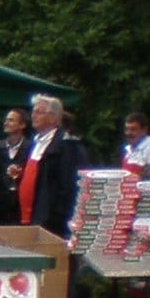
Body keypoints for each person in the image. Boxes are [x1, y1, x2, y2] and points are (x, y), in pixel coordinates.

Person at [11, 94, 91, 239]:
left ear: (54, 118)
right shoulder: (34, 143)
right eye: (33, 111)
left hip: (49, 222)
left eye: (39, 112)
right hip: (27, 217)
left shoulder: (65, 146)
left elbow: (67, 185)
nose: (33, 116)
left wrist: (55, 217)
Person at [0, 107, 31, 223]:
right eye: (6, 120)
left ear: (22, 125)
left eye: (11, 120)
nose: (6, 123)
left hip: (20, 205)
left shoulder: (32, 148)